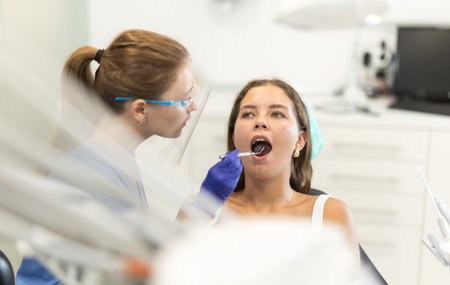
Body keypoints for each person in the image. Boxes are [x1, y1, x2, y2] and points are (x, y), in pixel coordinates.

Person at [16, 29, 242, 285]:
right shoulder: (95, 175)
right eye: (183, 98)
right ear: (140, 109)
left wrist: (198, 209)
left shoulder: (117, 157)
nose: (193, 106)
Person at [221, 78, 360, 257]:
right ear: (235, 139)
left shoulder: (332, 215)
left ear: (299, 140)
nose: (260, 121)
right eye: (248, 114)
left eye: (277, 114)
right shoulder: (205, 209)